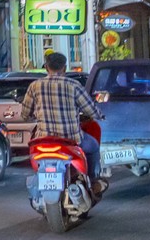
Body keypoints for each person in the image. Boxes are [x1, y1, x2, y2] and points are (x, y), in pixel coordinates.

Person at [21, 50, 104, 188]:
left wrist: (32, 116)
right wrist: (100, 115)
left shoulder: (34, 86)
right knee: (93, 146)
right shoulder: (73, 85)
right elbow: (91, 110)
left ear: (46, 67)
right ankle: (93, 181)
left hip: (44, 139)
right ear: (64, 68)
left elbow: (25, 114)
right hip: (71, 139)